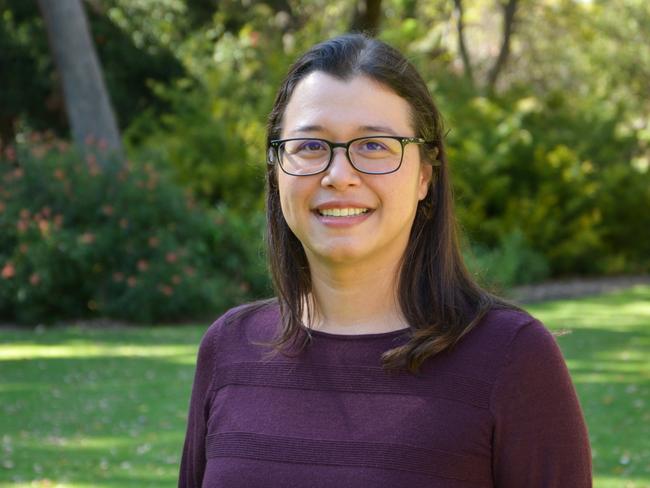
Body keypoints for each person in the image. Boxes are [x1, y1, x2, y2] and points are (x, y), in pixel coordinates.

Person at [178, 33, 592, 488]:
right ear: (276, 171)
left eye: (374, 146)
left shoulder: (512, 357)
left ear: (424, 176)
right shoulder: (228, 349)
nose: (338, 176)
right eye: (310, 146)